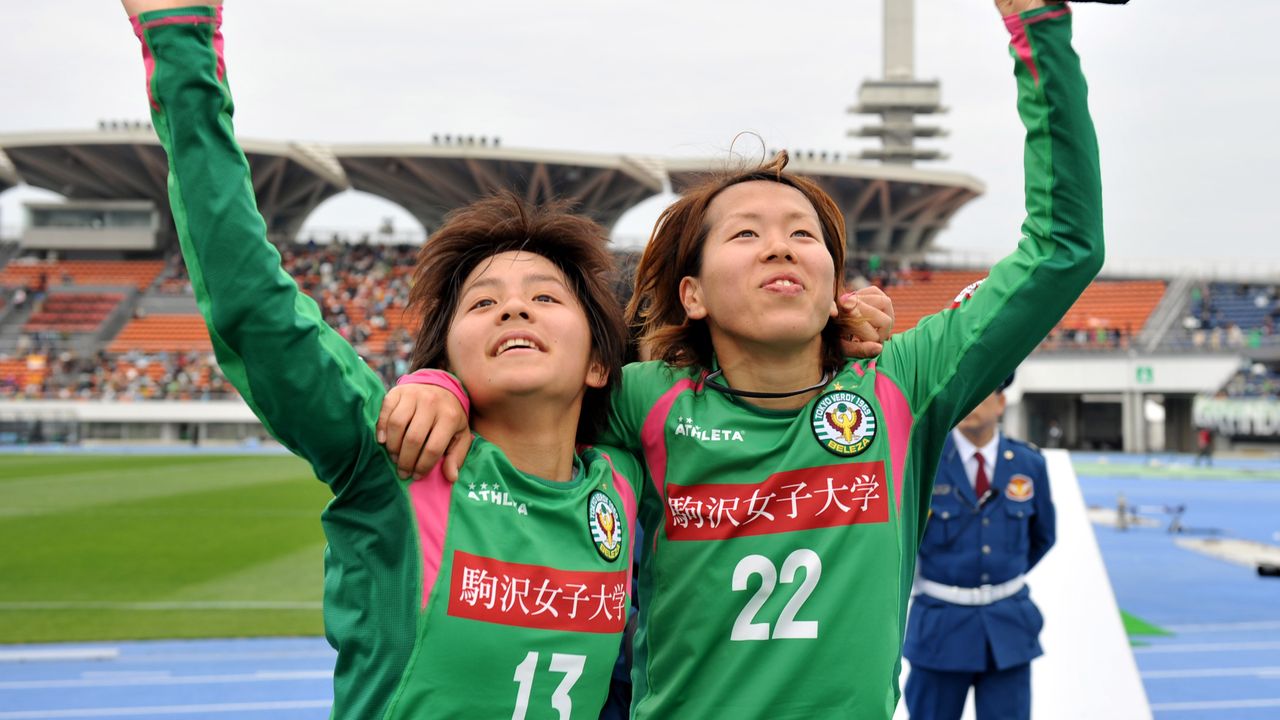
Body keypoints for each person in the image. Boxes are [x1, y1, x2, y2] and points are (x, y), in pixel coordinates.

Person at [382, 0, 1102, 716]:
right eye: (746, 234)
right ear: (691, 294)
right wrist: (440, 383)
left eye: (803, 233)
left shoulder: (903, 388)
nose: (780, 245)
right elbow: (526, 382)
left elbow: (1063, 248)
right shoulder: (645, 400)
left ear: (833, 291)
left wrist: (1037, 29)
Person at [122, 3, 654, 716]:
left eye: (545, 298)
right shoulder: (396, 459)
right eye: (483, 303)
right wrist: (181, 43)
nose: (514, 309)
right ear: (451, 357)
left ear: (599, 362)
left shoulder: (626, 479)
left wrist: (843, 318)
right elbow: (255, 308)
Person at [902, 375, 1056, 720]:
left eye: (982, 393)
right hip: (940, 628)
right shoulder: (923, 461)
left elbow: (1042, 536)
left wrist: (999, 577)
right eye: (965, 395)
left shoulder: (1029, 464)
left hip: (1008, 630)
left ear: (1002, 403)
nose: (971, 403)